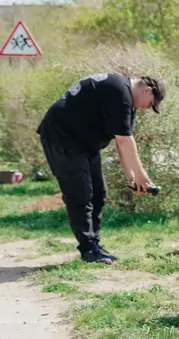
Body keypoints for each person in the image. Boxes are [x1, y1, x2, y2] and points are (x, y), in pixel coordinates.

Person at [36, 73, 164, 263]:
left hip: (84, 144)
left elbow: (123, 142)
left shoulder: (125, 98)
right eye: (149, 103)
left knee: (98, 192)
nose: (145, 108)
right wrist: (141, 175)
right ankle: (89, 250)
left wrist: (131, 177)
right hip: (62, 138)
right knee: (80, 193)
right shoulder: (120, 91)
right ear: (147, 90)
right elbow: (123, 140)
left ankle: (94, 246)